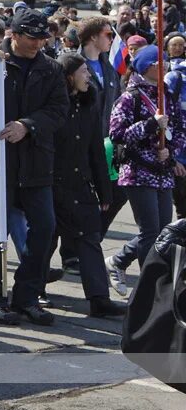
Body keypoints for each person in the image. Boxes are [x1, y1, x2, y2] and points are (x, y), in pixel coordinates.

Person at [0, 8, 68, 326]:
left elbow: (59, 110)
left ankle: (27, 295)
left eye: (43, 37)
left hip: (36, 159)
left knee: (45, 227)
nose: (39, 43)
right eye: (32, 37)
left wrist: (27, 125)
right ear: (13, 35)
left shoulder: (51, 69)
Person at [106, 45, 186, 297]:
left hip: (162, 172)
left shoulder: (167, 96)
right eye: (159, 62)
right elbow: (117, 134)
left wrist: (170, 152)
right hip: (138, 171)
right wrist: (150, 125)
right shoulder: (131, 97)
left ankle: (119, 260)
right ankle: (148, 288)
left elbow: (180, 129)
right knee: (151, 231)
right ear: (148, 66)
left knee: (164, 232)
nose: (163, 66)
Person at [51, 52, 127, 318]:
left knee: (91, 240)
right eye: (83, 71)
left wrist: (104, 190)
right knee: (46, 241)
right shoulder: (53, 106)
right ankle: (32, 292)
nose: (88, 76)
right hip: (52, 186)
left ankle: (99, 299)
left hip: (81, 185)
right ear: (69, 76)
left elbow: (95, 150)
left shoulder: (89, 105)